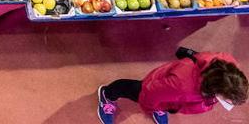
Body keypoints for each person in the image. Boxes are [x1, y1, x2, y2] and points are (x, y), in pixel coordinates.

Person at [98, 47, 247, 124]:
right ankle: (107, 94)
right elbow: (150, 93)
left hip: (173, 89)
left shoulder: (227, 64)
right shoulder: (182, 87)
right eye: (227, 100)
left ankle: (161, 107)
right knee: (134, 89)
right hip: (160, 86)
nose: (229, 105)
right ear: (216, 89)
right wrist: (151, 107)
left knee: (160, 98)